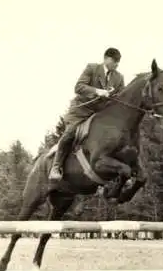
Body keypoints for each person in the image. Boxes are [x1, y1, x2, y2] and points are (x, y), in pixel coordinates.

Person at [49, 47, 125, 182]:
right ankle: (56, 167)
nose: (117, 64)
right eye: (115, 61)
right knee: (70, 133)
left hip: (99, 114)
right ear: (106, 59)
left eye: (118, 62)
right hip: (81, 111)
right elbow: (78, 87)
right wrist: (98, 91)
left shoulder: (119, 77)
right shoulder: (92, 68)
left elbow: (120, 99)